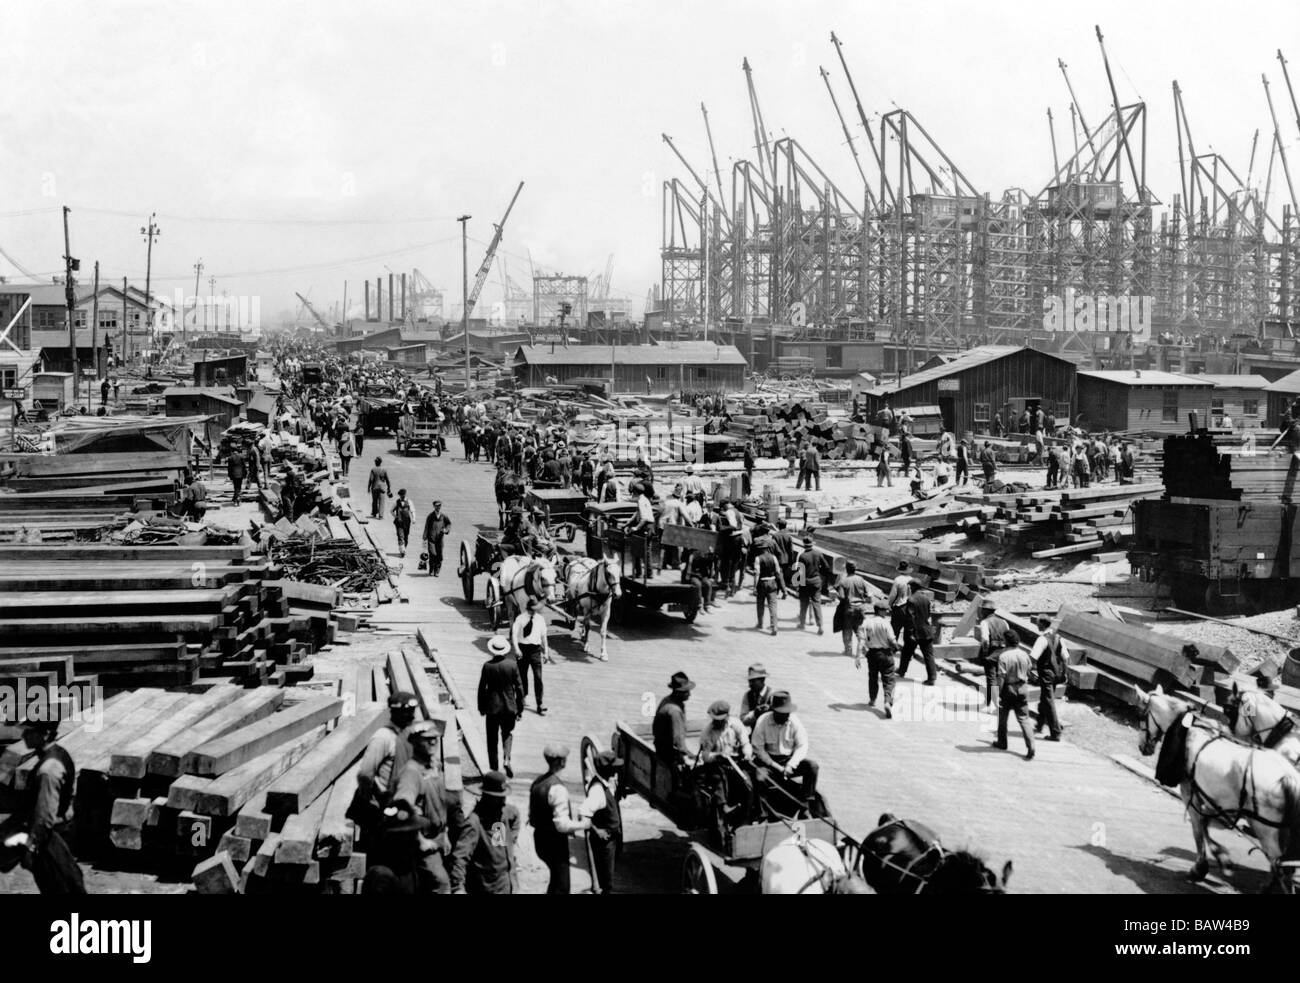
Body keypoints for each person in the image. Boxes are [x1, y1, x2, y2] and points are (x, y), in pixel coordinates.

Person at [0, 717, 85, 894]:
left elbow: (44, 816)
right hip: (56, 833)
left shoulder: (48, 769)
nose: (24, 735)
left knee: (60, 888)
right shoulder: (58, 753)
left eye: (30, 731)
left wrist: (32, 847)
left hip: (50, 839)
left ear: (45, 734)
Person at [386, 718, 466, 894]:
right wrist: (420, 840)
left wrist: (444, 833)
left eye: (435, 739)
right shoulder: (411, 773)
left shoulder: (433, 767)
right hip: (420, 844)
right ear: (415, 743)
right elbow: (402, 808)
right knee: (441, 884)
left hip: (437, 837)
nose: (432, 742)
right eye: (426, 739)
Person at [529, 744, 591, 894]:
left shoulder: (538, 782)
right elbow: (561, 825)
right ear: (561, 762)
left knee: (556, 881)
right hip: (555, 843)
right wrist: (583, 824)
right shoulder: (558, 789)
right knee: (562, 886)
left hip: (540, 838)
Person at [449, 770, 520, 895]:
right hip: (487, 887)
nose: (503, 801)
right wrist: (458, 887)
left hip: (505, 885)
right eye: (499, 798)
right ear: (488, 796)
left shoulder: (499, 814)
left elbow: (514, 815)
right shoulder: (474, 823)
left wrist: (511, 840)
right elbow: (460, 857)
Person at [697, 700, 754, 843]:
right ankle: (723, 809)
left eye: (721, 720)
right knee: (719, 781)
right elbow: (705, 756)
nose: (718, 723)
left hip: (735, 763)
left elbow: (745, 742)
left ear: (727, 717)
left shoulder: (735, 725)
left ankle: (745, 822)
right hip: (716, 764)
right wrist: (718, 755)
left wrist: (747, 753)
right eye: (715, 720)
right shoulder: (707, 732)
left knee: (748, 785)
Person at [751, 692, 819, 809]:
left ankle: (806, 804)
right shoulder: (763, 721)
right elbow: (758, 748)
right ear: (774, 711)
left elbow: (802, 745)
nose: (786, 716)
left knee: (812, 767)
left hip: (788, 761)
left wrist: (791, 765)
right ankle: (763, 812)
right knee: (760, 778)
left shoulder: (794, 721)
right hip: (768, 762)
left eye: (788, 713)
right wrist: (775, 766)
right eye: (782, 713)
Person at [478, 636, 524, 776]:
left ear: (492, 651)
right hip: (509, 707)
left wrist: (481, 706)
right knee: (507, 734)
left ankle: (494, 770)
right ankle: (506, 758)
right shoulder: (512, 665)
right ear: (505, 650)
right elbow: (519, 688)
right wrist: (519, 708)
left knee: (492, 739)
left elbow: (482, 689)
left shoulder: (487, 666)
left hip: (492, 708)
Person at [579, 750, 623, 894]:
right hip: (604, 844)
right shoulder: (597, 790)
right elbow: (583, 813)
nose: (617, 768)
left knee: (607, 880)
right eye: (614, 766)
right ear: (607, 769)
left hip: (610, 841)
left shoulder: (604, 783)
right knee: (605, 883)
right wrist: (597, 831)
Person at [993, 629, 1035, 760]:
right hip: (1023, 688)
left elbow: (1001, 678)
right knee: (1024, 719)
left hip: (1008, 689)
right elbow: (1029, 671)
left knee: (1003, 717)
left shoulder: (1003, 656)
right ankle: (1031, 745)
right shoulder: (1024, 654)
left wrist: (997, 694)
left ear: (1006, 641)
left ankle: (1002, 742)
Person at [1030, 618, 1069, 742]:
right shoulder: (1059, 638)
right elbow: (1065, 658)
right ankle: (1039, 724)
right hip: (1056, 674)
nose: (1037, 624)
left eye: (1038, 623)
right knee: (1045, 697)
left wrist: (1030, 671)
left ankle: (1055, 732)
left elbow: (1033, 657)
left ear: (1042, 624)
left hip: (1046, 674)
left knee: (1048, 700)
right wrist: (1065, 673)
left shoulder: (1042, 639)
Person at [860, 600, 900, 717]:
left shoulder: (867, 622)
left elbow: (861, 639)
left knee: (873, 677)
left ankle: (872, 699)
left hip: (872, 654)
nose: (887, 612)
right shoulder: (885, 623)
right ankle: (887, 701)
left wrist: (862, 653)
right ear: (880, 611)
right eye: (885, 611)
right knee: (889, 680)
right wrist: (896, 648)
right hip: (885, 654)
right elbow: (892, 640)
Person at [899, 580, 938, 685]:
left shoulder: (911, 600)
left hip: (915, 631)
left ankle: (902, 671)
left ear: (912, 588)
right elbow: (928, 614)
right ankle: (932, 677)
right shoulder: (926, 599)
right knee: (928, 655)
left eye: (910, 587)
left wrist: (911, 632)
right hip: (926, 630)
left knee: (906, 652)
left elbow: (910, 618)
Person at [653, 671, 694, 769]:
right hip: (669, 754)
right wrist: (685, 757)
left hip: (660, 747)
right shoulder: (675, 711)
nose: (689, 694)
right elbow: (678, 740)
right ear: (678, 692)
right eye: (686, 691)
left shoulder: (667, 700)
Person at [835, 561, 874, 659]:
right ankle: (864, 650)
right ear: (855, 569)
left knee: (847, 629)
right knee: (859, 629)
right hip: (860, 608)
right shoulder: (861, 579)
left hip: (849, 608)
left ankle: (848, 650)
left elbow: (842, 597)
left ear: (846, 569)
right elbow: (869, 594)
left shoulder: (843, 581)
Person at [975, 600, 1009, 711]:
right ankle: (993, 702)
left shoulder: (985, 622)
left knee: (991, 678)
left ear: (985, 611)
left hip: (991, 653)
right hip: (1003, 653)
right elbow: (1008, 637)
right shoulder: (1004, 622)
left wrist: (985, 652)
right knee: (1000, 678)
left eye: (982, 610)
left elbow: (985, 639)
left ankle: (993, 705)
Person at [794, 536, 831, 633]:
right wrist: (820, 575)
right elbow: (826, 567)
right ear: (812, 544)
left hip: (805, 583)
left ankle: (802, 624)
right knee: (816, 604)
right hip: (816, 581)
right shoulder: (818, 554)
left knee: (804, 604)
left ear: (804, 545)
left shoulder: (802, 556)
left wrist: (798, 585)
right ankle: (820, 626)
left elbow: (800, 572)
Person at [740, 663, 774, 730]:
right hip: (754, 735)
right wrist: (755, 713)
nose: (749, 685)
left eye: (753, 681)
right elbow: (743, 721)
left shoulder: (772, 695)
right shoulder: (747, 695)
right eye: (749, 681)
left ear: (762, 680)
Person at [421, 500, 451, 576]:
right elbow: (427, 526)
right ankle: (431, 570)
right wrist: (424, 536)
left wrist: (446, 530)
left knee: (439, 556)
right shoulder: (430, 516)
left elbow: (448, 524)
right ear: (434, 506)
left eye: (439, 505)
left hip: (440, 539)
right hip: (431, 539)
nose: (438, 507)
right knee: (432, 554)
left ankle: (437, 571)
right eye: (436, 506)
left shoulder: (444, 516)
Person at [886, 561, 913, 640]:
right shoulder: (912, 580)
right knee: (908, 631)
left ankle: (893, 649)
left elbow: (893, 594)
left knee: (895, 630)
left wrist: (889, 605)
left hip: (900, 606)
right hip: (910, 606)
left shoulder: (897, 580)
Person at [391, 489, 414, 558]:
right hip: (399, 522)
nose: (402, 496)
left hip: (407, 521)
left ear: (405, 495)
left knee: (406, 536)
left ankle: (404, 548)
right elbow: (391, 510)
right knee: (400, 536)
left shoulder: (409, 502)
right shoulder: (397, 502)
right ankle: (402, 550)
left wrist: (414, 518)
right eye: (401, 495)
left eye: (403, 495)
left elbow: (412, 510)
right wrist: (396, 516)